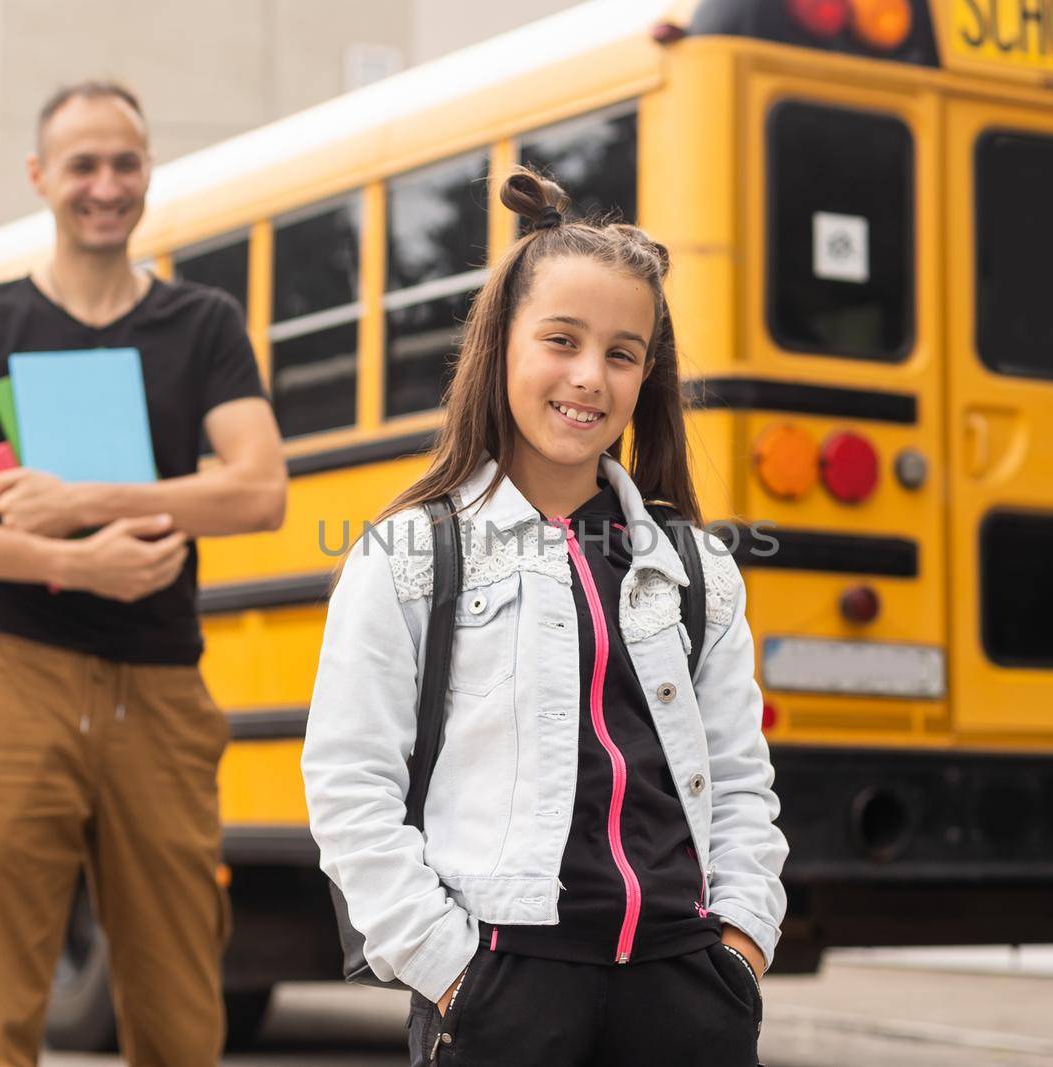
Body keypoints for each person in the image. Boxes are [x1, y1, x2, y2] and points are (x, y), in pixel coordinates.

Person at [301, 169, 787, 1066]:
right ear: (502, 347)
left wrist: (741, 947)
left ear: (648, 373)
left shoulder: (694, 567)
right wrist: (454, 972)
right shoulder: (409, 555)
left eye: (622, 352)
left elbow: (741, 779)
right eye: (560, 339)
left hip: (685, 986)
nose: (587, 377)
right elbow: (349, 787)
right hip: (503, 987)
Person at [0, 80, 286, 1067]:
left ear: (146, 175)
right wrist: (64, 559)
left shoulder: (203, 322)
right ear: (40, 177)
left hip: (161, 690)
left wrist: (84, 499)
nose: (105, 185)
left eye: (125, 163)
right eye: (83, 165)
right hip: (12, 678)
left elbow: (260, 488)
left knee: (182, 1016)